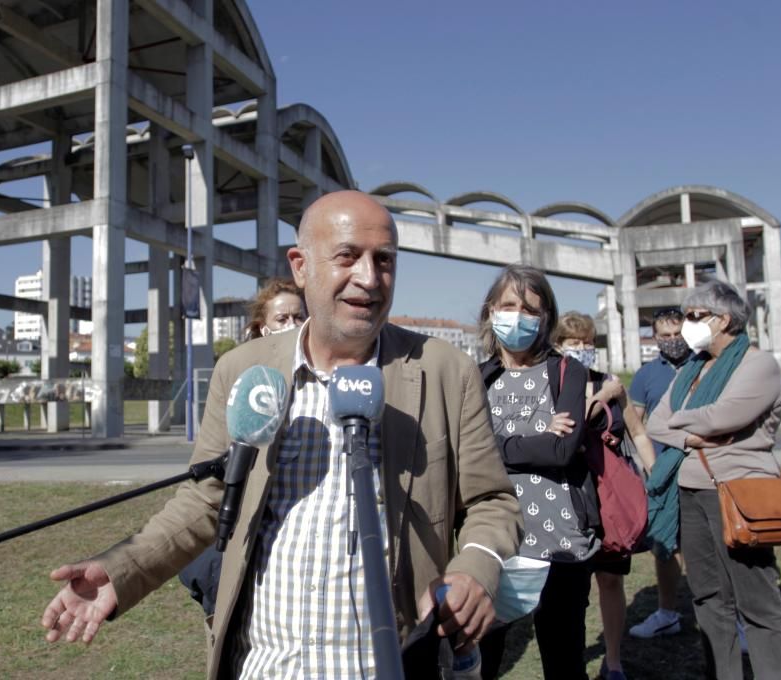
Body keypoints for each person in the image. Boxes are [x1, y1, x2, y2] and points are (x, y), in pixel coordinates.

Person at [39, 190, 521, 679]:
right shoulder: (243, 370)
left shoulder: (445, 371)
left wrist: (475, 566)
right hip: (266, 666)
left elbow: (492, 502)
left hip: (390, 662)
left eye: (384, 260)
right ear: (301, 266)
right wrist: (123, 572)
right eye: (348, 257)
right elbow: (206, 501)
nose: (369, 278)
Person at [646, 280, 781, 679]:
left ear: (724, 320)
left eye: (695, 316)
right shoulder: (691, 370)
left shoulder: (757, 364)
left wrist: (682, 425)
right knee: (708, 596)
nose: (685, 326)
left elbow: (723, 417)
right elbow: (655, 422)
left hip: (738, 491)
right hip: (690, 489)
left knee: (757, 601)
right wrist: (691, 434)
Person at [474, 265, 595, 680]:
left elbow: (562, 451)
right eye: (509, 305)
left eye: (530, 308)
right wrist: (535, 435)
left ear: (546, 318)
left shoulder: (566, 372)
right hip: (495, 540)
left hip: (560, 543)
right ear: (491, 311)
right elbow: (469, 452)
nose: (518, 316)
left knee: (563, 662)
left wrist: (499, 442)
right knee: (482, 659)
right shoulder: (477, 377)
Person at [178, 278, 308, 621]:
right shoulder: (239, 373)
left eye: (299, 317)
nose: (293, 326)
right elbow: (205, 486)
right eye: (282, 319)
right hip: (244, 539)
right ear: (262, 328)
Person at [552, 311, 653, 680]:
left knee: (611, 580)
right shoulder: (552, 384)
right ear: (558, 346)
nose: (582, 350)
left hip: (610, 496)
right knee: (571, 589)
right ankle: (570, 661)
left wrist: (654, 476)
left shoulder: (612, 384)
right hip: (571, 499)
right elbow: (570, 427)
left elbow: (638, 432)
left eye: (588, 343)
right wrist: (601, 397)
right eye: (573, 343)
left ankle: (613, 661)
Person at [628, 308, 693, 640]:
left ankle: (726, 615)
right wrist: (650, 464)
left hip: (700, 470)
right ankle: (668, 612)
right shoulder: (645, 375)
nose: (672, 341)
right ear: (654, 338)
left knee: (703, 545)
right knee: (663, 544)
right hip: (661, 473)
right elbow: (634, 421)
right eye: (665, 336)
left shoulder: (705, 366)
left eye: (677, 333)